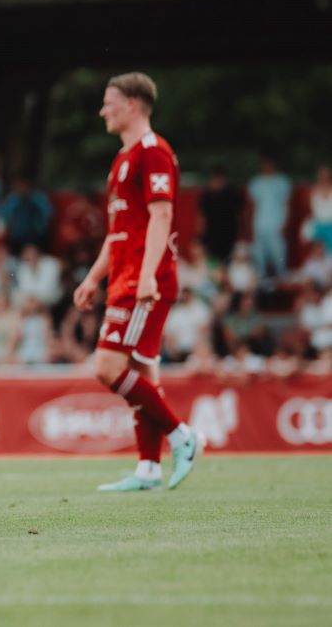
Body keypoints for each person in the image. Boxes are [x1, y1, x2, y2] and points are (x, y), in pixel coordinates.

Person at [73, 73, 201, 493]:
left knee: (107, 368)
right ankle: (148, 468)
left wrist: (147, 275)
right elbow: (119, 231)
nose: (102, 110)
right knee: (144, 370)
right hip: (125, 278)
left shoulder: (154, 152)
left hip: (143, 280)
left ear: (131, 103)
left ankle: (183, 437)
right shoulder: (122, 159)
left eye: (108, 102)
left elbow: (162, 216)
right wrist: (93, 278)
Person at [247, 155, 293, 281]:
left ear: (274, 165)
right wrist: (250, 227)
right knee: (259, 257)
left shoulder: (282, 181)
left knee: (279, 256)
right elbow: (252, 206)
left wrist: (286, 223)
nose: (268, 167)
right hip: (259, 224)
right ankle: (262, 287)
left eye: (270, 164)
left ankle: (282, 283)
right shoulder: (256, 183)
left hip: (277, 224)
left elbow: (287, 204)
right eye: (265, 164)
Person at [197, 166, 242, 264]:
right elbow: (201, 218)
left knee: (228, 260)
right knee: (212, 262)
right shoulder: (207, 197)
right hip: (211, 235)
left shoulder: (232, 195)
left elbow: (239, 215)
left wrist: (240, 233)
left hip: (229, 234)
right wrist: (200, 234)